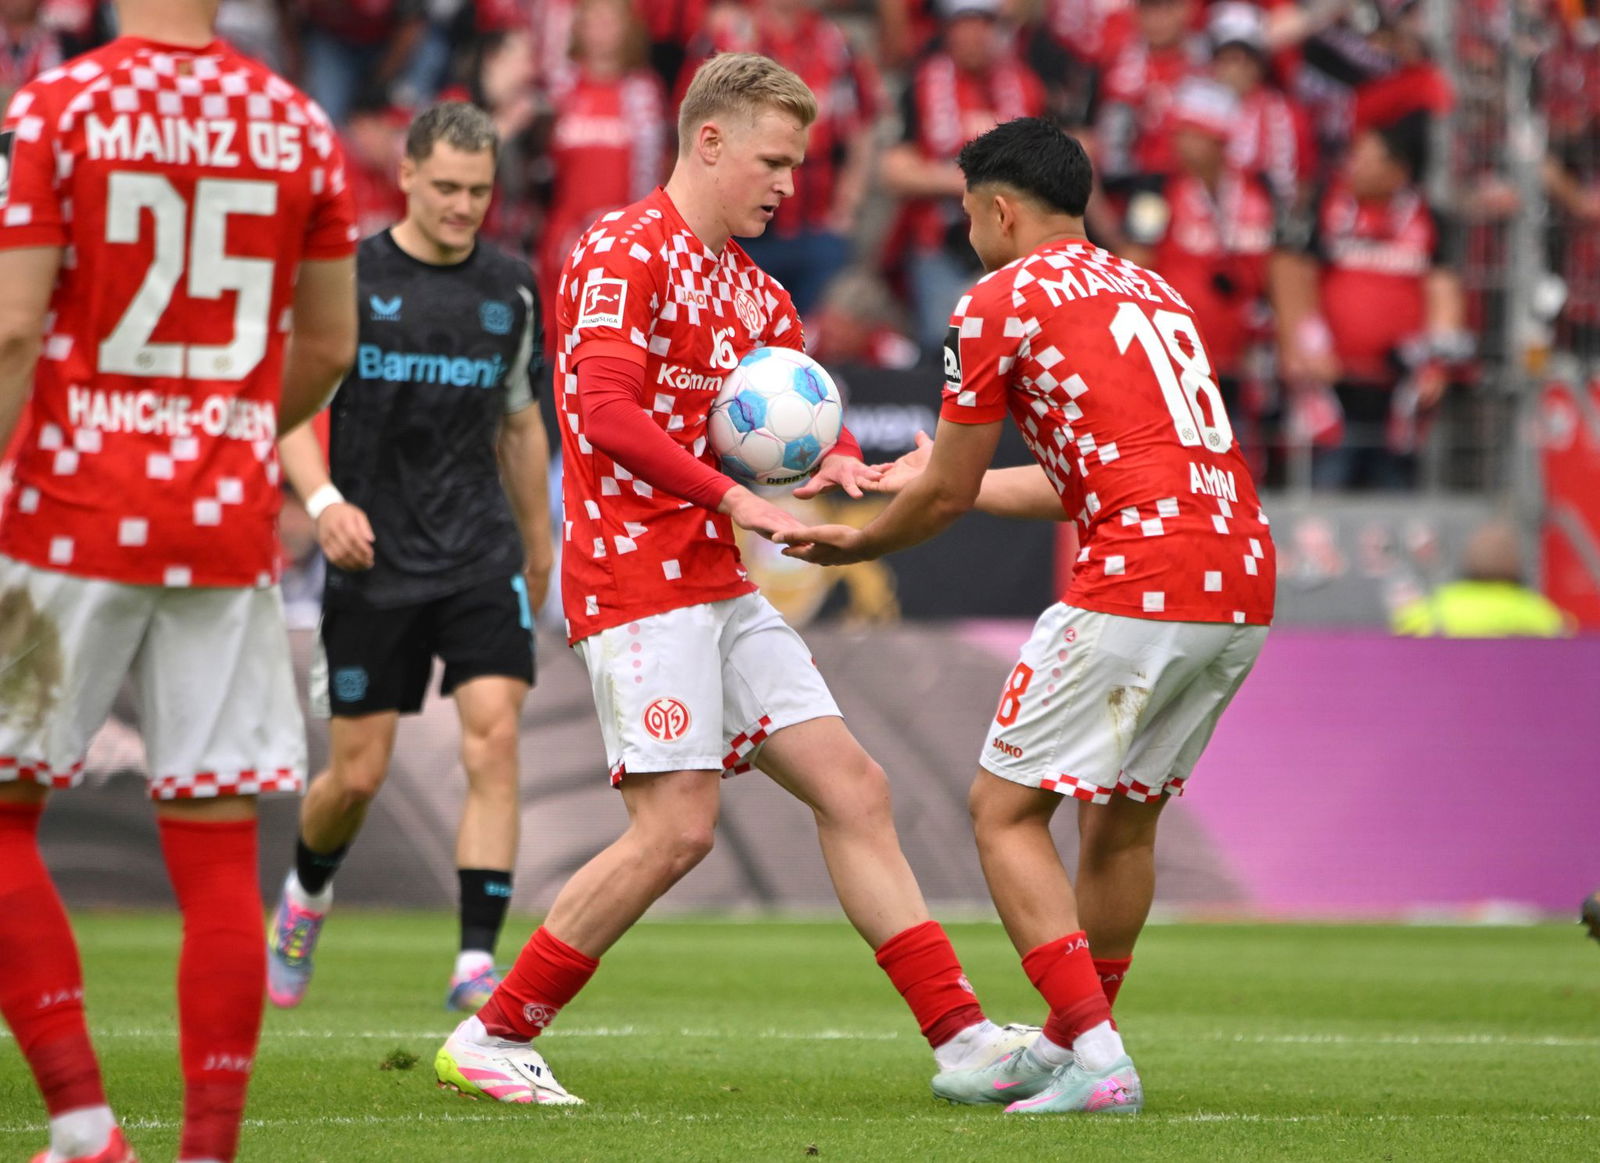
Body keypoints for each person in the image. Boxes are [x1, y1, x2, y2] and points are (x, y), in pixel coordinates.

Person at [431, 51, 1030, 1107]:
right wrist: (735, 497)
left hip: (714, 581)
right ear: (707, 142)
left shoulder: (760, 298)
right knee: (678, 829)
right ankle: (495, 1029)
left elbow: (765, 450)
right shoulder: (619, 250)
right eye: (772, 160)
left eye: (795, 165)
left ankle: (962, 1036)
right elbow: (606, 415)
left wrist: (825, 465)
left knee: (855, 787)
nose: (787, 185)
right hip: (633, 579)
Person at [778, 116, 1276, 1115]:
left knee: (1003, 809)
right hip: (1238, 568)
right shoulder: (1150, 288)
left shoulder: (998, 298)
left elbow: (950, 496)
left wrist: (859, 536)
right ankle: (1065, 1040)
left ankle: (1096, 1057)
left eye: (967, 214)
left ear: (1000, 209)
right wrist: (928, 469)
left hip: (1141, 568)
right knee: (1121, 821)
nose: (968, 235)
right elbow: (1084, 476)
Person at [0, 0, 358, 1159]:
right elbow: (331, 345)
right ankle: (207, 1148)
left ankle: (85, 1122)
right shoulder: (298, 122)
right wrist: (232, 431)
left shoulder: (58, 106)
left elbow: (12, 331)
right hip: (220, 522)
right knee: (211, 849)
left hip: (69, 508)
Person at [266, 102, 552, 1014]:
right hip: (373, 556)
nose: (465, 206)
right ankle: (308, 892)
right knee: (355, 777)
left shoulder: (510, 288)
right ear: (407, 177)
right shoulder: (347, 276)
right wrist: (322, 502)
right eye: (447, 189)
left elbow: (518, 422)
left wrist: (539, 548)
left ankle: (475, 959)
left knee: (496, 739)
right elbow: (287, 413)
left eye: (479, 191)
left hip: (478, 550)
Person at [1391, 521, 1575, 638]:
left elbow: (1403, 626)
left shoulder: (1439, 604)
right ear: (1516, 562)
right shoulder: (1532, 609)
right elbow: (1565, 637)